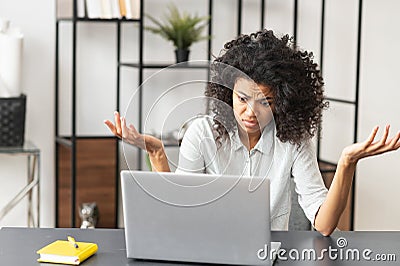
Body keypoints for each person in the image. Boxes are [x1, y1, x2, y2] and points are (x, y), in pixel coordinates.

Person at [105, 29, 400, 236]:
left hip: (270, 255)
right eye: (242, 99)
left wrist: (347, 162)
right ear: (227, 93)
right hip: (207, 251)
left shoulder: (293, 142)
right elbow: (180, 213)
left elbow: (323, 225)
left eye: (265, 102)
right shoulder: (202, 133)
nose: (250, 112)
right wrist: (158, 152)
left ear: (282, 102)